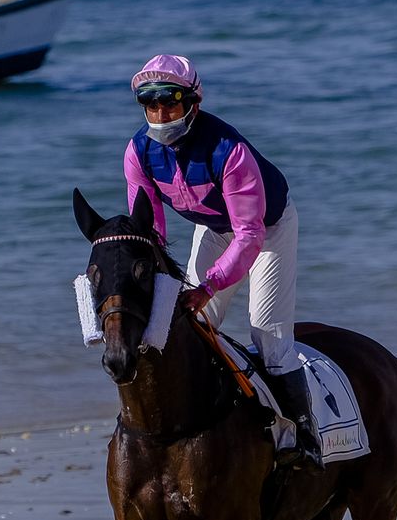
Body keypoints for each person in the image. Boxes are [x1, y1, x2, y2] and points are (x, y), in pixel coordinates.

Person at [122, 54, 320, 468]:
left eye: (170, 101)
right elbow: (153, 235)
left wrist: (208, 286)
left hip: (268, 230)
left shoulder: (228, 151)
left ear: (193, 102)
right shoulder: (138, 152)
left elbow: (249, 236)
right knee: (192, 326)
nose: (160, 113)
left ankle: (302, 439)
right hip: (214, 228)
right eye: (149, 103)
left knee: (267, 334)